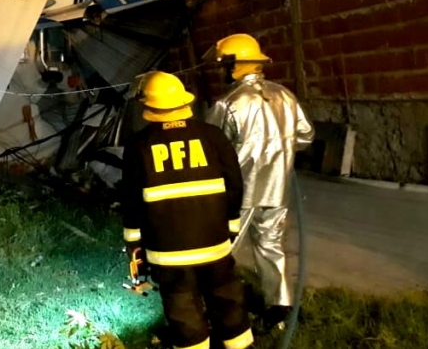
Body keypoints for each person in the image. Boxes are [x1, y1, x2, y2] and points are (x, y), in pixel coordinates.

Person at [122, 71, 253, 349]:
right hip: (213, 244)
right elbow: (234, 184)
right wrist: (230, 225)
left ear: (149, 106)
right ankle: (240, 345)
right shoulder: (213, 136)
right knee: (226, 295)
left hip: (168, 251)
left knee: (182, 304)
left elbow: (131, 199)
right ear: (183, 101)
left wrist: (133, 243)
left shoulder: (138, 145)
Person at [205, 33, 315, 332]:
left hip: (237, 192)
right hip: (276, 189)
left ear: (233, 67)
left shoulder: (227, 104)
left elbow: (209, 147)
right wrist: (281, 150)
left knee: (219, 248)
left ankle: (214, 308)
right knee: (271, 246)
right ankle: (280, 308)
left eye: (222, 66)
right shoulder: (285, 95)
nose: (220, 71)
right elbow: (306, 136)